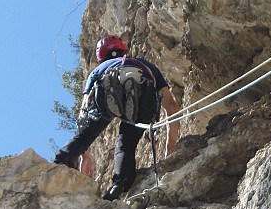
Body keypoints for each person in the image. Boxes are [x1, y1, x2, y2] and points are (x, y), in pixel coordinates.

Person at [54, 35, 180, 200]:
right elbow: (172, 106)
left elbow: (84, 111)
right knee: (125, 144)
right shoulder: (146, 65)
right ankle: (119, 184)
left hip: (107, 87)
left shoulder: (99, 69)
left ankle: (63, 159)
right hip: (143, 92)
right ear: (123, 50)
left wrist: (85, 155)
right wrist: (170, 146)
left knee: (87, 132)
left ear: (101, 56)